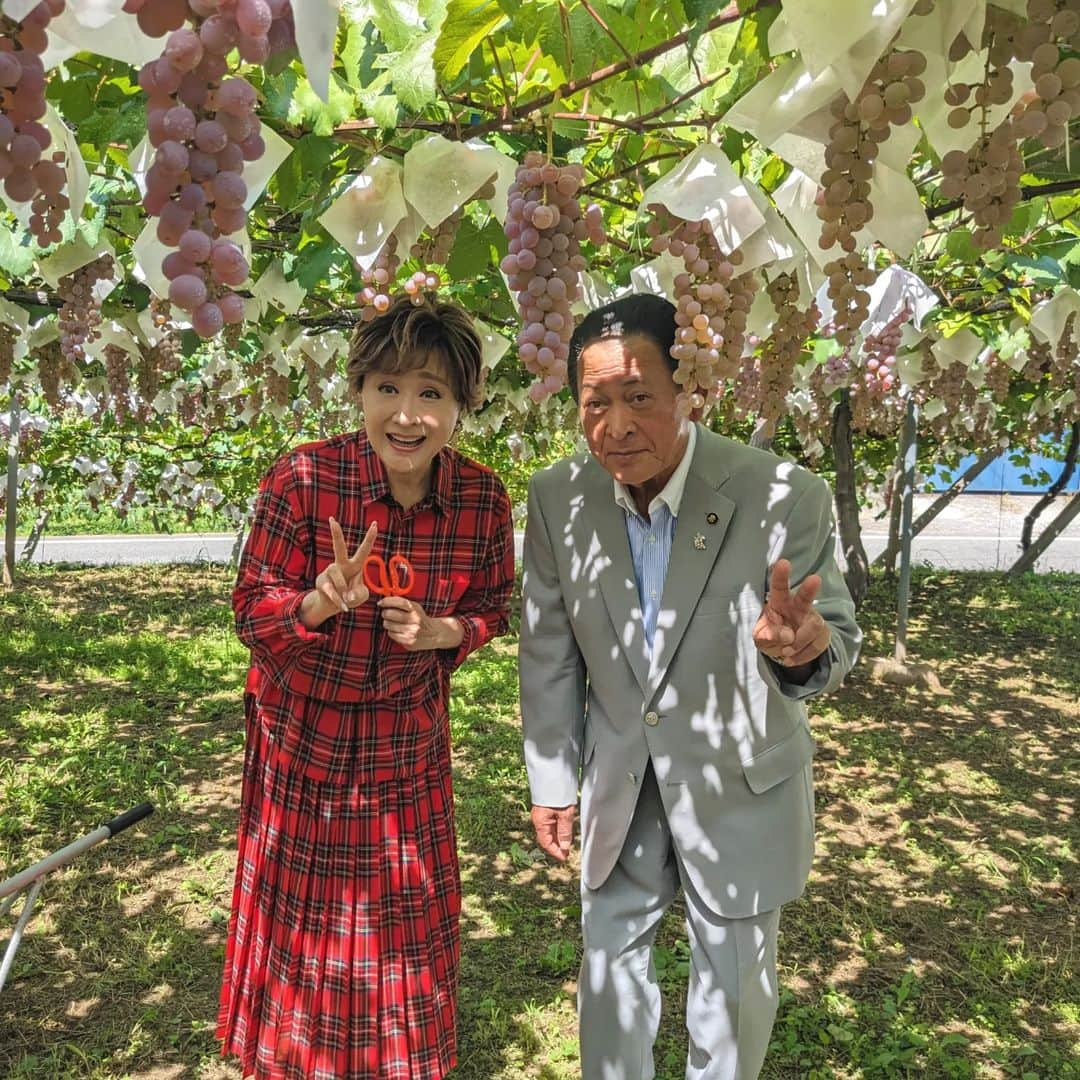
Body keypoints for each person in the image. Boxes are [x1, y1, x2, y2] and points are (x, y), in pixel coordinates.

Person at [518, 293, 862, 1079]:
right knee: (607, 975)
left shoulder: (782, 494)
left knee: (736, 990)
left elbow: (832, 638)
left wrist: (802, 650)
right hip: (620, 779)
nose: (615, 425)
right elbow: (547, 650)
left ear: (689, 391)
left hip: (738, 784)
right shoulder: (557, 499)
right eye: (594, 403)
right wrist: (551, 778)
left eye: (639, 397)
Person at [218, 295, 515, 1079]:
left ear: (461, 406)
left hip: (405, 742)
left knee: (400, 935)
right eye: (388, 388)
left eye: (431, 394)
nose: (407, 415)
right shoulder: (304, 479)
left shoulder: (483, 500)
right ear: (359, 392)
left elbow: (492, 607)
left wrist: (444, 632)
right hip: (302, 744)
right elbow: (252, 612)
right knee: (303, 937)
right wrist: (317, 601)